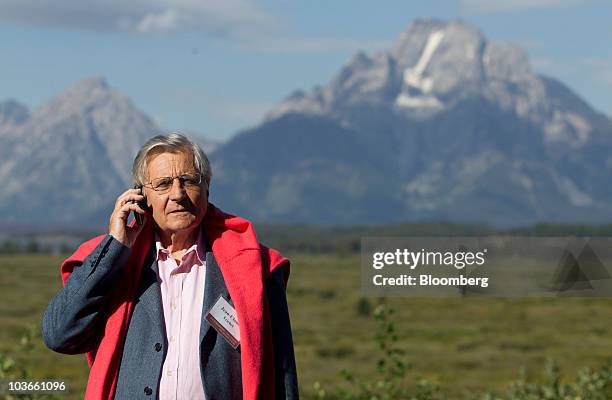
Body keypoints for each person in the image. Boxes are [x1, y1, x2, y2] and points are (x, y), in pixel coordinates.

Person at [42, 132, 298, 400]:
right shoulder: (115, 264)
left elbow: (282, 373)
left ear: (206, 189)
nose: (178, 194)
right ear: (141, 196)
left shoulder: (256, 266)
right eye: (163, 184)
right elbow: (60, 335)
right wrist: (114, 246)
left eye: (188, 181)